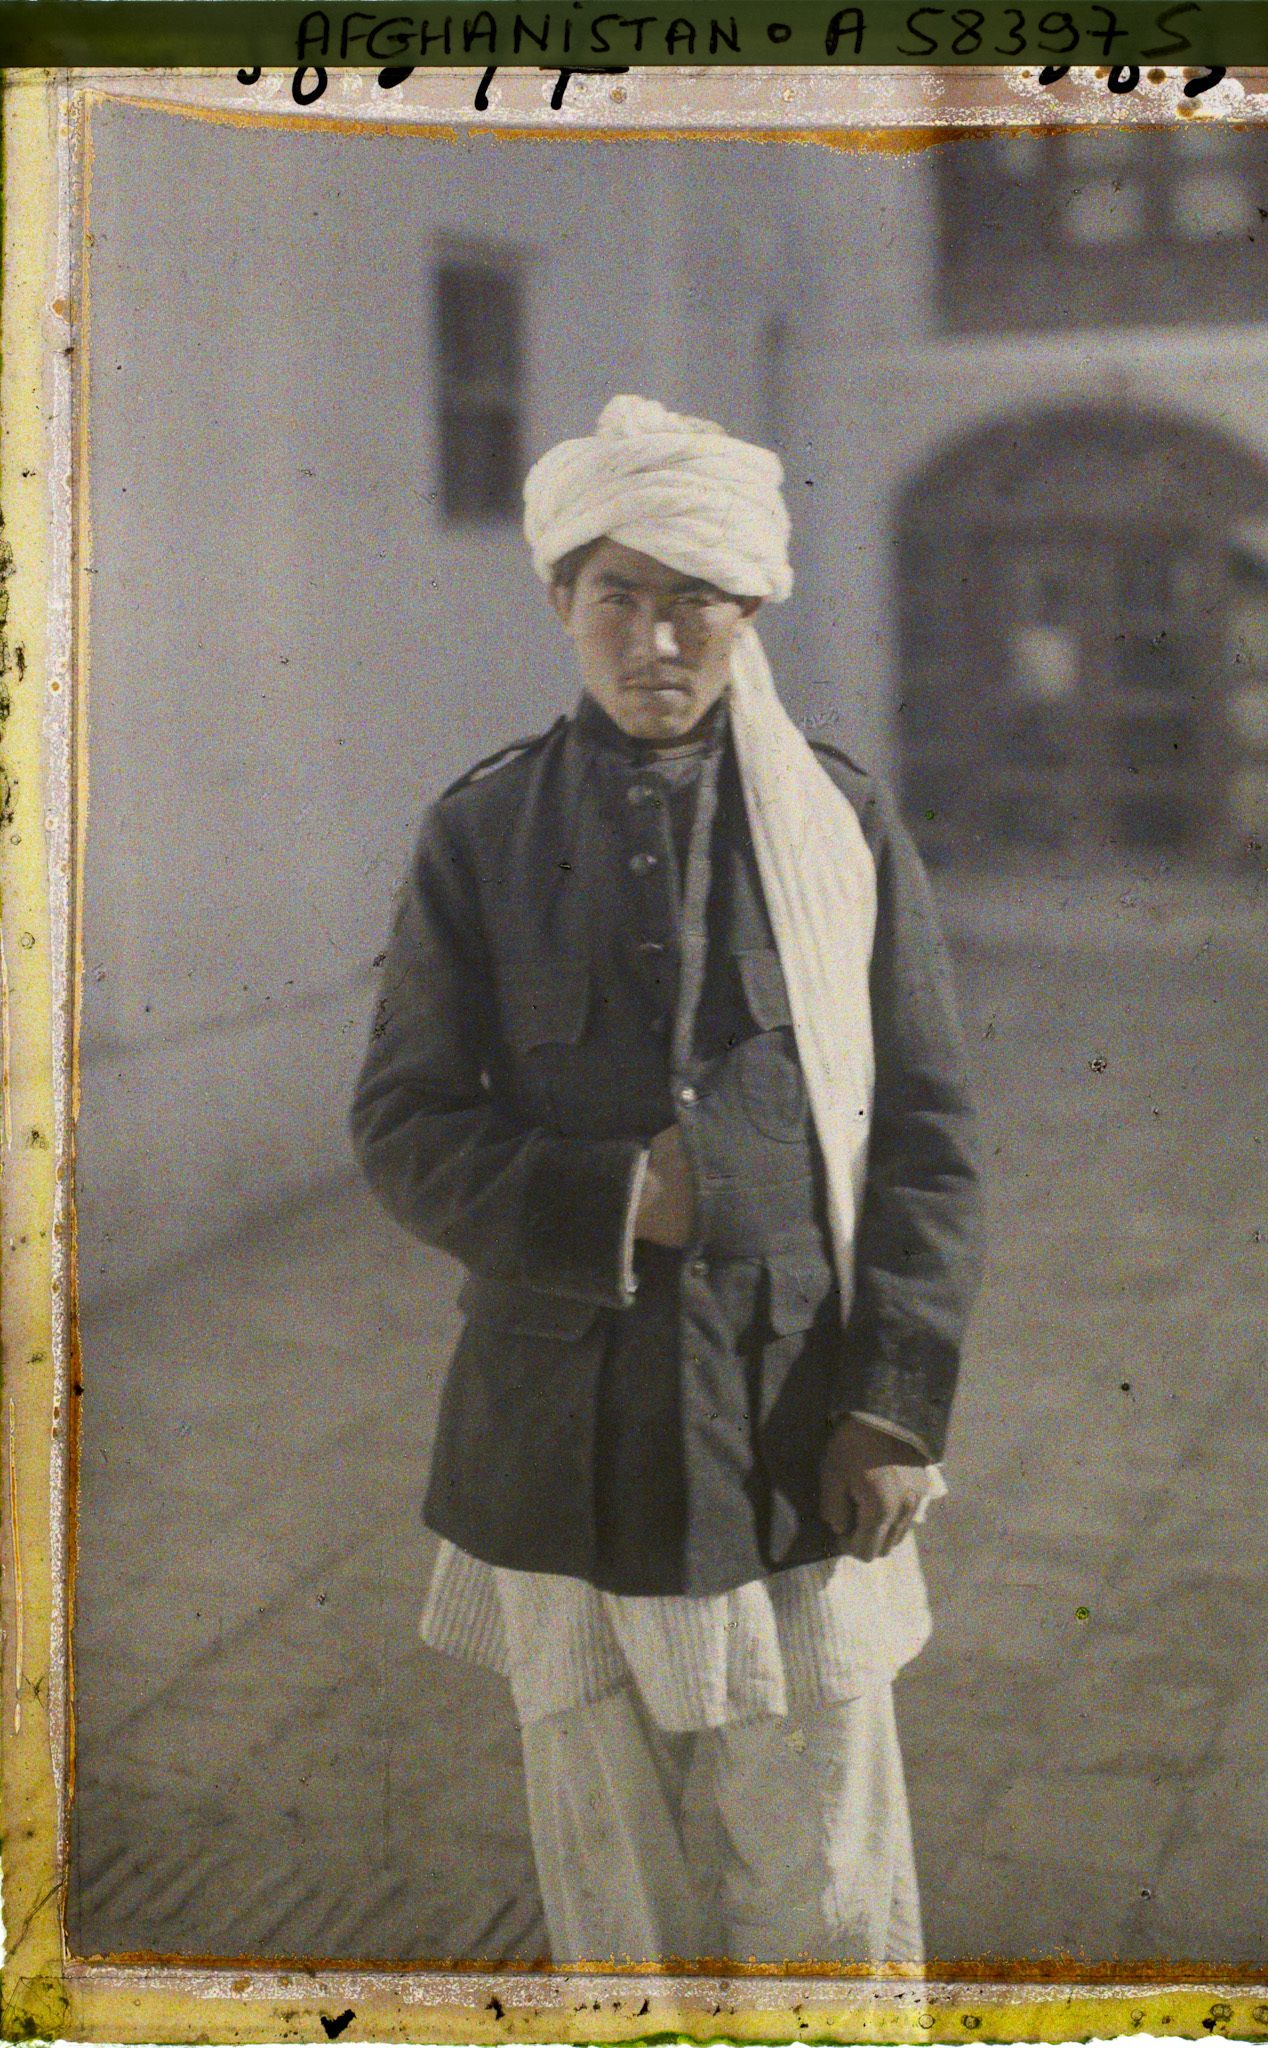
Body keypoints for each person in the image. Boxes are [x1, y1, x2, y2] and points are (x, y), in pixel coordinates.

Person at [350, 395, 983, 1971]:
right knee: (614, 1905)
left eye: (692, 596)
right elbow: (405, 1122)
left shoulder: (832, 819)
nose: (655, 637)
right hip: (569, 1443)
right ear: (562, 601)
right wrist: (613, 1199)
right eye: (617, 593)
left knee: (827, 1890)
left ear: (748, 611)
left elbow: (926, 1127)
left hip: (796, 1430)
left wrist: (896, 1401)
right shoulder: (482, 833)